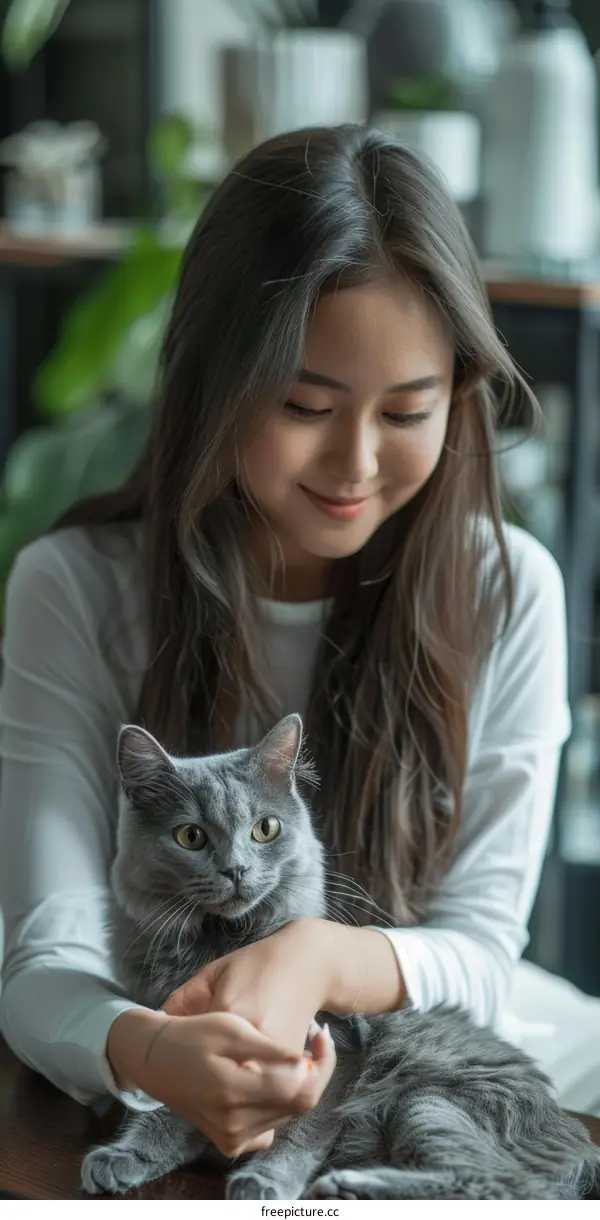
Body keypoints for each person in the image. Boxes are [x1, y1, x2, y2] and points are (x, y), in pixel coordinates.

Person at [0, 124, 570, 1160]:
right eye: (306, 404)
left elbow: (485, 952)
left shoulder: (508, 590)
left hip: (436, 1067)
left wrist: (319, 955)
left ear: (460, 394)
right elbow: (46, 956)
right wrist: (143, 1047)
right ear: (215, 382)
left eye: (408, 409)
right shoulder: (75, 589)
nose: (354, 461)